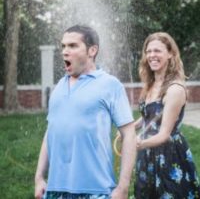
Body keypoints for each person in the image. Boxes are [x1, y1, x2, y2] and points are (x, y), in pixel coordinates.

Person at [35, 25, 136, 199]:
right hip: (55, 189)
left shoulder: (110, 85)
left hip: (96, 190)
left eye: (73, 46)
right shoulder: (59, 86)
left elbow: (129, 134)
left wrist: (123, 187)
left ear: (92, 50)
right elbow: (50, 132)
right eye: (63, 46)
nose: (65, 52)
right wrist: (39, 178)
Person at [134, 32, 200, 199]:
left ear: (170, 54)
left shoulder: (174, 89)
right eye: (148, 51)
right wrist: (128, 129)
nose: (151, 56)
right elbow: (149, 117)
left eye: (157, 51)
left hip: (168, 155)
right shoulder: (151, 84)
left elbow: (163, 134)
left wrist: (137, 144)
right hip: (148, 152)